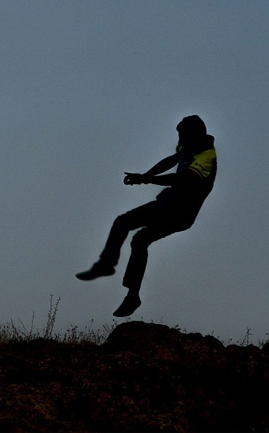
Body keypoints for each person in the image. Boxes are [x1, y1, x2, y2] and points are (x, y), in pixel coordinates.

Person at [76, 115, 217, 317]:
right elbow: (172, 160)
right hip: (167, 204)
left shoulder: (206, 158)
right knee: (122, 222)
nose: (179, 140)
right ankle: (105, 265)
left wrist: (148, 179)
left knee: (140, 240)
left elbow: (178, 179)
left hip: (181, 213)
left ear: (192, 135)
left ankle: (132, 296)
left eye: (181, 135)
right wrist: (144, 176)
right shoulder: (189, 146)